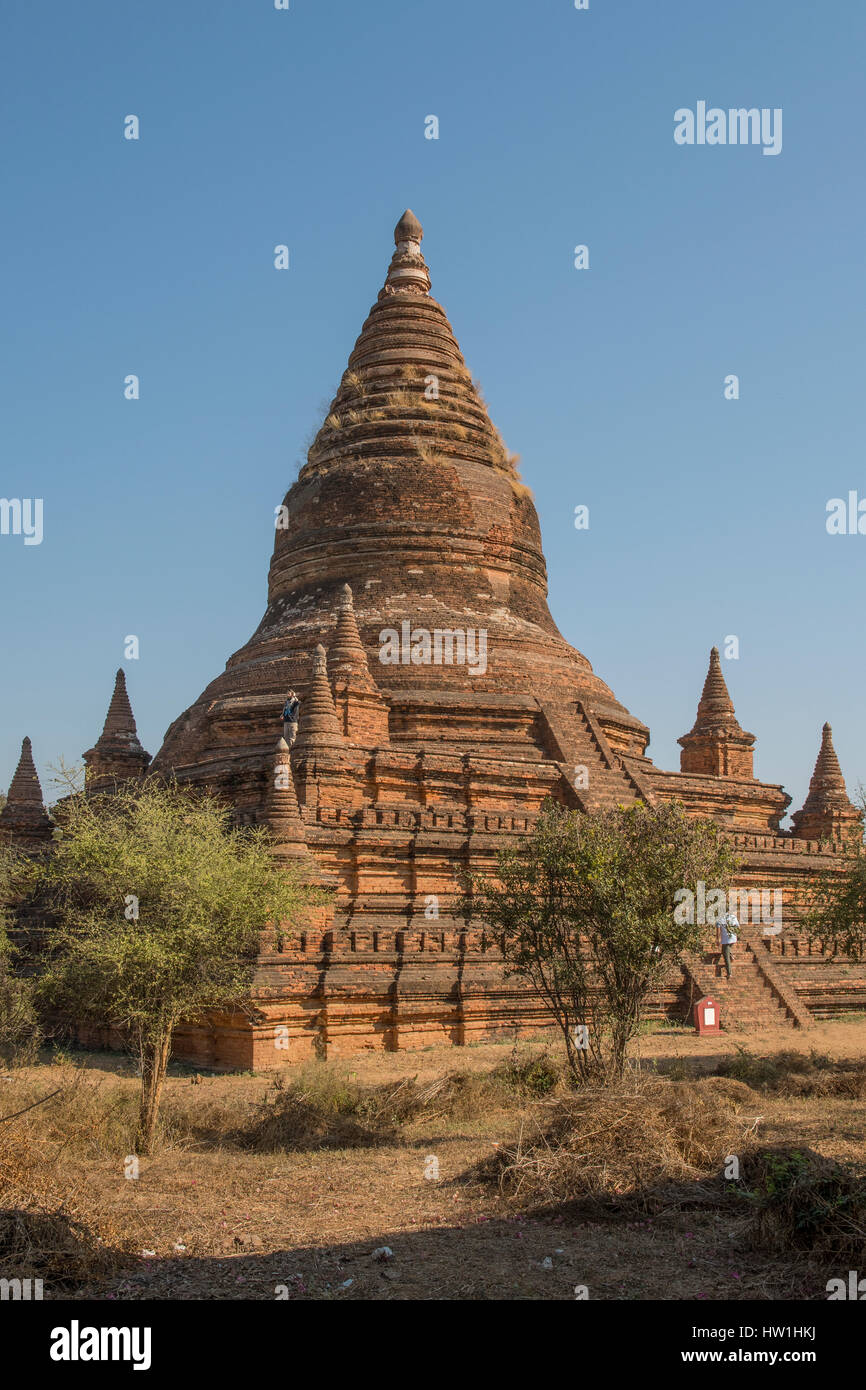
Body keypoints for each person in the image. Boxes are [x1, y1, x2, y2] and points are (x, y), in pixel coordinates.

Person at [716, 911, 739, 979]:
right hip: (733, 938)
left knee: (726, 956)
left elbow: (718, 931)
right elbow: (738, 927)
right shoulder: (733, 916)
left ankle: (729, 973)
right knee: (727, 949)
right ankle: (731, 955)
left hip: (726, 939)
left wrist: (717, 939)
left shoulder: (720, 918)